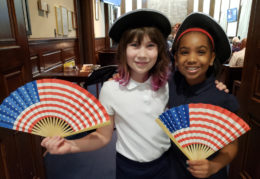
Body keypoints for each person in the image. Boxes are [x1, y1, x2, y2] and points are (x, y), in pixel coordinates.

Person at [41, 9, 173, 179]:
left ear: (159, 50)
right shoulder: (111, 90)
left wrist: (219, 84)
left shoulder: (167, 84)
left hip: (165, 164)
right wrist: (70, 145)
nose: (142, 54)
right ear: (123, 50)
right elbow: (102, 136)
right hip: (129, 167)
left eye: (150, 46)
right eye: (134, 45)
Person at [168, 12, 239, 178]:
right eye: (184, 52)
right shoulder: (170, 86)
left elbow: (231, 146)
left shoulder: (223, 99)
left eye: (201, 52)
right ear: (176, 58)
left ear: (212, 57)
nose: (192, 59)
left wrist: (214, 165)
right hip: (174, 172)